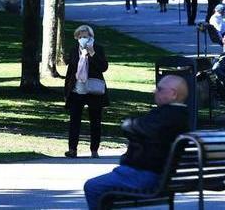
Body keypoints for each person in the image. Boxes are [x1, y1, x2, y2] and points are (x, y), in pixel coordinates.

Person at [83, 75, 190, 210]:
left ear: (173, 94)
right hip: (161, 178)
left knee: (93, 187)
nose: (155, 91)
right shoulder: (181, 116)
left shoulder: (167, 116)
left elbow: (135, 127)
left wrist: (129, 125)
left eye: (159, 89)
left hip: (145, 176)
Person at [64, 24, 109, 158]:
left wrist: (92, 53)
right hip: (77, 89)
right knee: (74, 121)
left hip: (94, 90)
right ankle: (72, 149)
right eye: (81, 36)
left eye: (86, 36)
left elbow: (103, 67)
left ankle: (94, 150)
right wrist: (66, 91)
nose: (83, 38)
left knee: (95, 121)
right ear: (77, 37)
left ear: (91, 37)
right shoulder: (74, 50)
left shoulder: (98, 49)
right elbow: (70, 71)